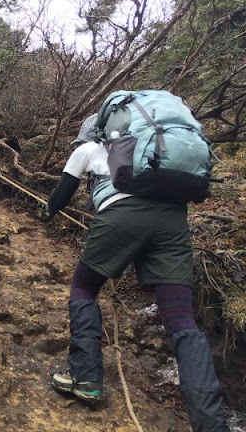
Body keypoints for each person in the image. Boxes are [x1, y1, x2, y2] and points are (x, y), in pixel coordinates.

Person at [46, 114, 229, 432]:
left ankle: (85, 376)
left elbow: (60, 197)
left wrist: (47, 209)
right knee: (182, 321)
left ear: (95, 133)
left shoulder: (88, 149)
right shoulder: (154, 152)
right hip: (172, 223)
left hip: (121, 217)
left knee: (84, 289)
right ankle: (212, 425)